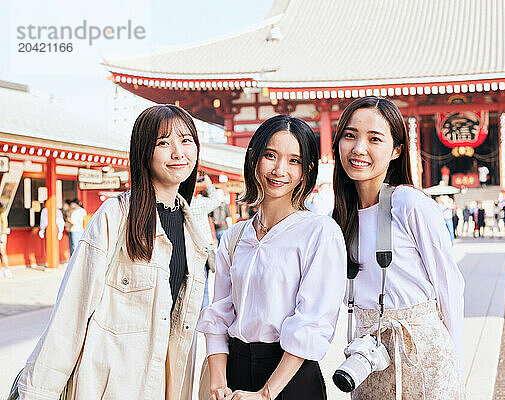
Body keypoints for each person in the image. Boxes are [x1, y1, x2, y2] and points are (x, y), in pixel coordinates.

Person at [18, 104, 209, 399]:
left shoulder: (193, 232)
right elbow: (72, 311)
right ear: (144, 152)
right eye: (163, 143)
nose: (178, 152)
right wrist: (37, 392)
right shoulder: (115, 217)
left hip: (165, 387)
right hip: (111, 387)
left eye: (186, 140)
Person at [196, 115, 346, 400]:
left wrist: (266, 394)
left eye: (294, 161)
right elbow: (219, 312)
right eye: (270, 155)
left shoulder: (319, 232)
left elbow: (313, 321)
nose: (280, 170)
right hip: (234, 372)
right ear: (254, 159)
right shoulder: (235, 235)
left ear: (306, 170)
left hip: (290, 376)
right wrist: (218, 382)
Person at [332, 97, 465, 399]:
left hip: (424, 355)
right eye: (349, 135)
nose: (358, 149)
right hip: (368, 357)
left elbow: (450, 286)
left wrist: (453, 367)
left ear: (396, 151)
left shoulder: (410, 204)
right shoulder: (339, 217)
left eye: (374, 139)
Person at [189, 174, 221, 309]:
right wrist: (208, 185)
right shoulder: (199, 203)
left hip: (189, 248)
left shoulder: (182, 203)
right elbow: (216, 200)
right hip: (204, 249)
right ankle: (203, 319)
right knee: (204, 288)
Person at [0, 199, 11, 278]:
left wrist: (3, 234)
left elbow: (4, 224)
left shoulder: (2, 212)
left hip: (1, 235)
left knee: (3, 252)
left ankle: (7, 269)